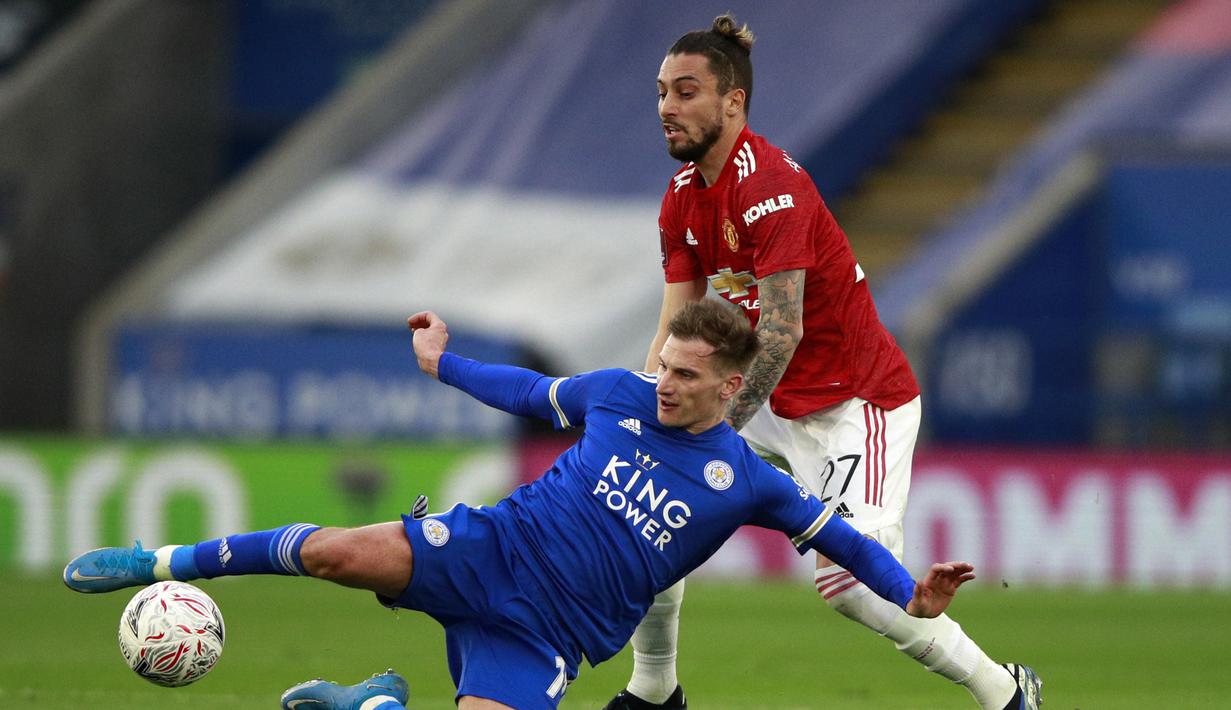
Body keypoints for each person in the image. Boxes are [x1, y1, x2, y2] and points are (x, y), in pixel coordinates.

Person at [65, 301, 976, 710]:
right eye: (664, 364)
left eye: (687, 375)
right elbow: (527, 392)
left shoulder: (749, 479)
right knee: (334, 551)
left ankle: (376, 704)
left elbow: (845, 542)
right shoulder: (618, 393)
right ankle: (154, 564)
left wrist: (912, 596)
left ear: (729, 384)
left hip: (549, 635)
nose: (665, 382)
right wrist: (440, 365)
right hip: (490, 548)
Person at [605, 14, 1042, 710]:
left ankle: (1004, 691)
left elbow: (779, 333)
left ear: (733, 102)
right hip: (772, 404)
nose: (666, 107)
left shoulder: (770, 186)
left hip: (854, 404)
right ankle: (655, 690)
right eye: (660, 92)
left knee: (845, 585)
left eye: (685, 91)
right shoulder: (682, 199)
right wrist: (649, 404)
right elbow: (677, 325)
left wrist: (709, 429)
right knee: (646, 499)